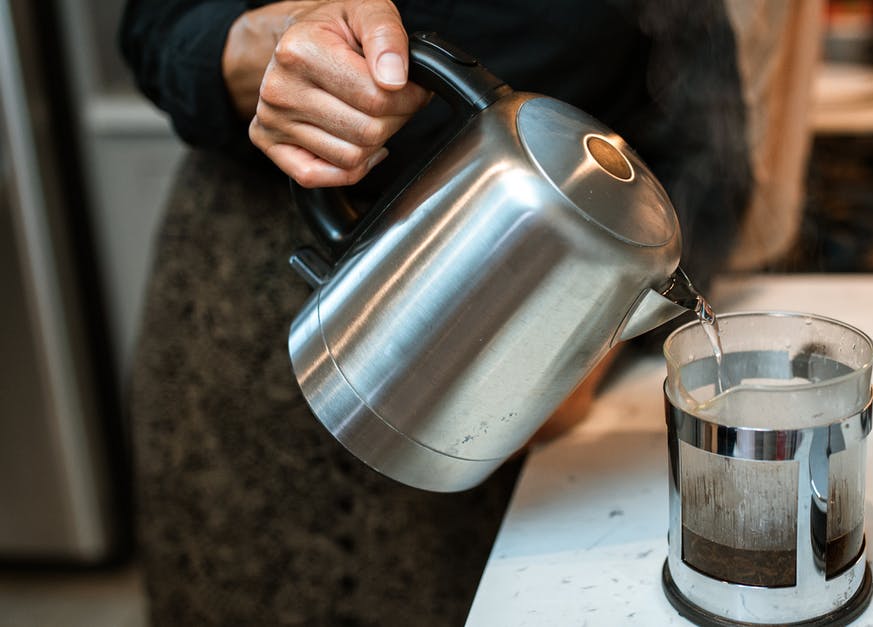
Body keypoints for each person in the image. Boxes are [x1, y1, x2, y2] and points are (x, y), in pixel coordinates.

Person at [117, 0, 784, 624]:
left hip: (528, 315)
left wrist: (591, 335)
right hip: (252, 307)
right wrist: (244, 52)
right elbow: (156, 24)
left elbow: (705, 146)